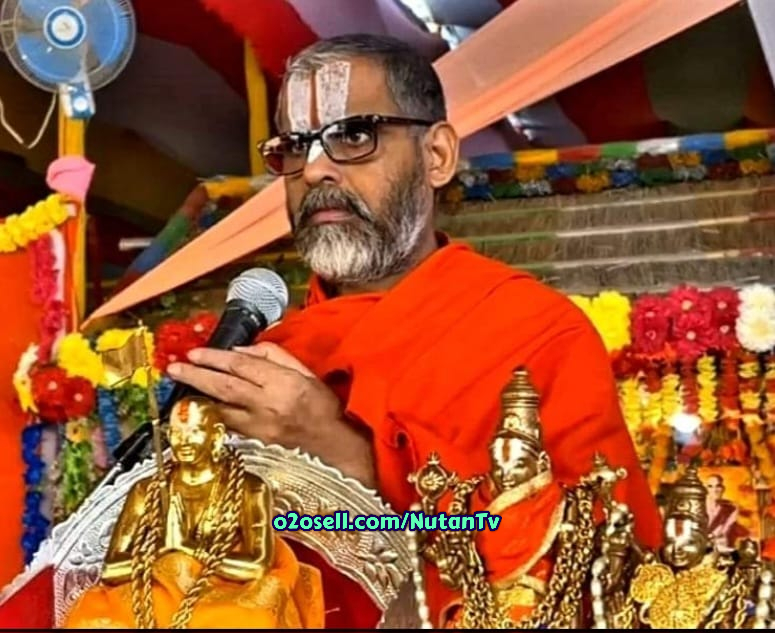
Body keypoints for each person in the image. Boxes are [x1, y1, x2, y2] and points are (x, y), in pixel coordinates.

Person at [165, 33, 663, 628]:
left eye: (354, 135)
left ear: (437, 155)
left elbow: (602, 580)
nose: (314, 169)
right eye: (294, 147)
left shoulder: (533, 334)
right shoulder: (271, 362)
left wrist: (346, 459)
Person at [62, 396, 324, 629]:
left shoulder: (248, 488)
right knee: (91, 621)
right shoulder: (147, 489)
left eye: (194, 431)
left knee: (252, 620)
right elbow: (111, 569)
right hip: (156, 591)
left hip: (226, 592)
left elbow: (256, 566)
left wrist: (185, 549)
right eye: (177, 433)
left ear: (216, 435)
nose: (184, 441)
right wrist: (164, 556)